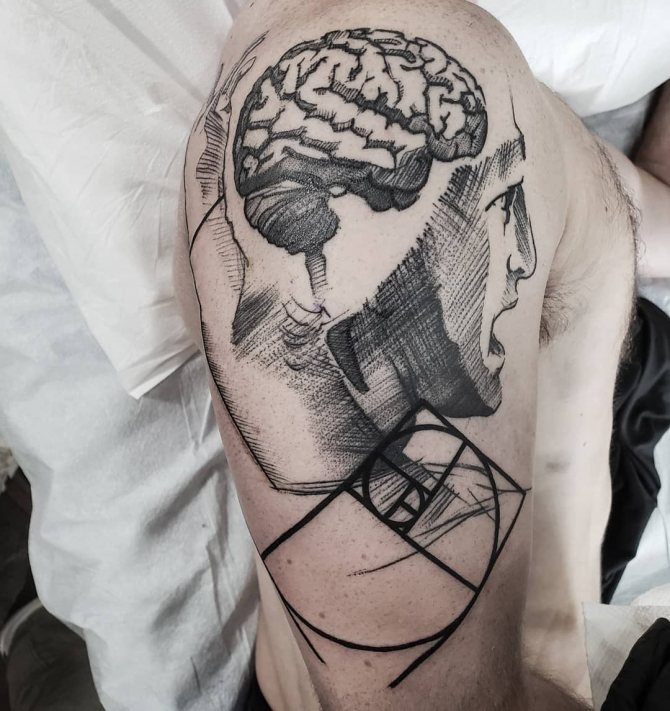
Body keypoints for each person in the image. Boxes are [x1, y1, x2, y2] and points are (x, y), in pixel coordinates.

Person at [175, 1, 670, 708]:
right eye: (499, 207)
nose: (521, 256)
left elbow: (623, 208)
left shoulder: (486, 102)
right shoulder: (392, 50)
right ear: (329, 266)